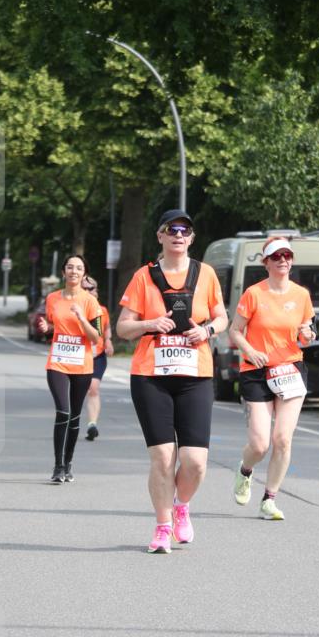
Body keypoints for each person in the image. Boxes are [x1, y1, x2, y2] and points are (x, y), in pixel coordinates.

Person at [117, 209, 228, 553]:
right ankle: (163, 526)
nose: (179, 235)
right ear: (160, 236)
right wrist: (151, 324)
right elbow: (122, 328)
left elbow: (222, 317)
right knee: (163, 457)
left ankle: (181, 505)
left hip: (195, 375)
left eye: (185, 230)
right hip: (152, 376)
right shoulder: (143, 277)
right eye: (172, 229)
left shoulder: (206, 274)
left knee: (195, 461)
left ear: (191, 239)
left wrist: (205, 329)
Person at [228, 237, 316, 520]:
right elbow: (234, 331)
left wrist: (308, 335)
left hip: (290, 370)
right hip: (256, 371)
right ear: (266, 262)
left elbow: (306, 334)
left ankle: (270, 499)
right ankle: (245, 470)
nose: (282, 260)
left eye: (287, 255)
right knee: (259, 444)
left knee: (283, 439)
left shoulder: (301, 295)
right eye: (276, 256)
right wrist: (251, 351)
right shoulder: (254, 294)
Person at [37, 255, 102, 483]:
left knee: (74, 416)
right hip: (57, 362)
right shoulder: (53, 298)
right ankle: (57, 465)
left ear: (84, 274)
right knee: (62, 412)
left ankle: (68, 463)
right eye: (70, 267)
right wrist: (47, 327)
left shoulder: (90, 302)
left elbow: (95, 337)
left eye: (79, 268)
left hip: (82, 365)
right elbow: (54, 325)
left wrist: (82, 318)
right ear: (63, 272)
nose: (74, 271)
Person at [82, 276, 114, 441]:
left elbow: (107, 326)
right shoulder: (75, 309)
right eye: (84, 288)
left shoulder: (102, 310)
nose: (88, 292)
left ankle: (92, 424)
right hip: (79, 356)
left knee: (93, 388)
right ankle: (68, 422)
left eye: (91, 288)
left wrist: (108, 340)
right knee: (78, 391)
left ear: (96, 291)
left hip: (98, 355)